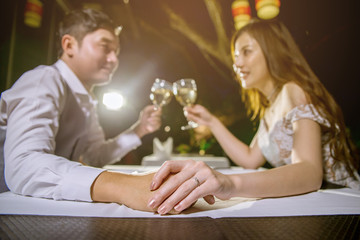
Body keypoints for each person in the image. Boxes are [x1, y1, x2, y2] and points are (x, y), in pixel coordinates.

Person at [147, 19, 360, 215]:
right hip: (316, 204)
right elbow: (250, 158)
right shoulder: (270, 107)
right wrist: (211, 121)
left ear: (273, 52)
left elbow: (310, 173)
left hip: (343, 204)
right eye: (236, 56)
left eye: (246, 52)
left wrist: (230, 184)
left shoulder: (293, 90)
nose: (237, 63)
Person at [0, 8, 161, 212]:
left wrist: (139, 130)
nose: (114, 59)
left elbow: (94, 157)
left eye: (116, 52)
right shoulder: (44, 80)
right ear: (69, 45)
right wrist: (123, 185)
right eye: (105, 47)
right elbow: (24, 166)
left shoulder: (86, 99)